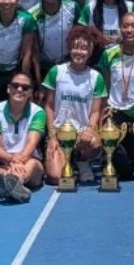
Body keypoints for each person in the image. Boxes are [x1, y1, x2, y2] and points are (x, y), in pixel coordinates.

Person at [42, 27, 108, 184]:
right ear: (70, 48)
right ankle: (65, 160)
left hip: (81, 135)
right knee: (56, 176)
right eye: (76, 47)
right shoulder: (56, 72)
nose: (79, 52)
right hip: (59, 133)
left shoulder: (96, 77)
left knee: (95, 142)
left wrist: (90, 129)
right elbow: (49, 106)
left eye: (84, 48)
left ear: (91, 52)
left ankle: (82, 161)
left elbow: (95, 112)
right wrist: (52, 136)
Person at [98, 12, 134, 177]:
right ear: (120, 29)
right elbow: (105, 89)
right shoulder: (108, 55)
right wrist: (106, 116)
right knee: (122, 171)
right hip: (116, 116)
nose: (129, 30)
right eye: (125, 26)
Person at [0, 72, 46, 203]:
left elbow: (31, 143)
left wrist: (18, 161)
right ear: (8, 89)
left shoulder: (38, 113)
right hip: (4, 162)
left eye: (25, 88)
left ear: (30, 92)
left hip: (28, 162)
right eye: (15, 86)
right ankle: (14, 187)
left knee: (33, 164)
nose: (19, 90)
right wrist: (10, 159)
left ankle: (14, 183)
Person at [31, 0, 79, 84]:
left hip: (68, 65)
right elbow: (35, 51)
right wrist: (38, 83)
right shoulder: (32, 14)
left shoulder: (72, 7)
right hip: (43, 68)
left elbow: (78, 39)